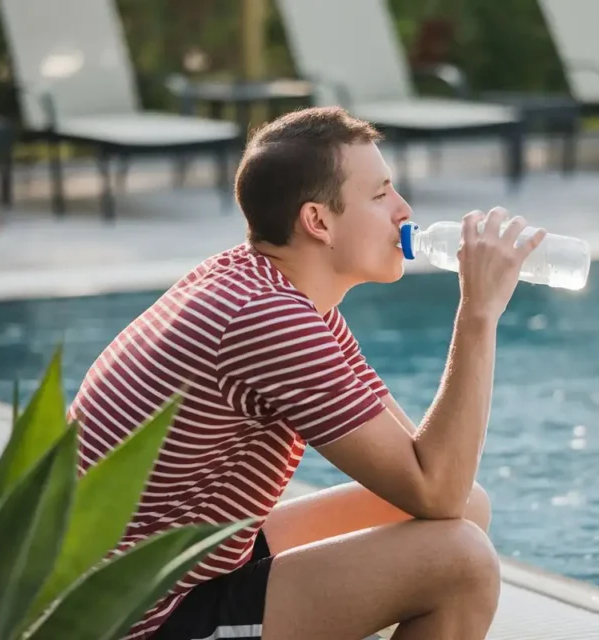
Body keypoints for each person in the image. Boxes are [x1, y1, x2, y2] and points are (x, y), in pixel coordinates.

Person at [67, 105, 546, 640]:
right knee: (461, 562)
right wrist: (478, 316)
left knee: (468, 507)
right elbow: (433, 489)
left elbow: (427, 468)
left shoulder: (270, 289)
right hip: (137, 618)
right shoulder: (268, 320)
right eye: (381, 193)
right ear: (318, 220)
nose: (404, 210)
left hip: (184, 565)